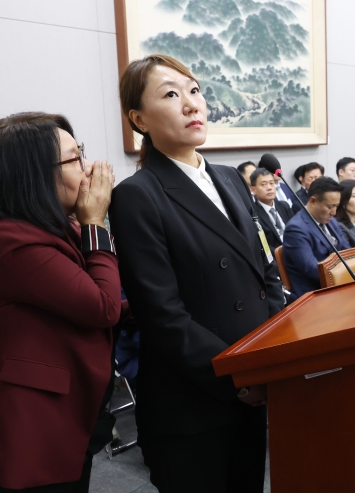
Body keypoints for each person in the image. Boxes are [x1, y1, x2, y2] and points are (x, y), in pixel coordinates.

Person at [111, 54, 284, 493]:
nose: (192, 105)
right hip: (195, 401)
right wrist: (238, 377)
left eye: (194, 90)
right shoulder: (137, 196)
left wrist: (273, 352)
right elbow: (162, 315)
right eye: (171, 94)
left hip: (253, 384)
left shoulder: (229, 179)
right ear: (139, 119)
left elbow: (266, 270)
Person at [0, 112, 121, 491]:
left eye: (79, 152)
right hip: (32, 431)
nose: (87, 168)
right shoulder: (7, 240)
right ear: (34, 174)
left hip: (68, 415)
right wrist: (96, 224)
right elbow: (101, 305)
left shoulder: (60, 226)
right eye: (74, 159)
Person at [282, 177, 350, 300]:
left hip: (338, 285)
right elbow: (313, 270)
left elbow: (346, 251)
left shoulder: (331, 221)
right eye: (330, 206)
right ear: (313, 201)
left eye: (336, 206)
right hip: (315, 294)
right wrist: (346, 273)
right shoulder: (296, 229)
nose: (334, 212)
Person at [250, 168, 295, 252]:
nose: (269, 188)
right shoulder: (253, 214)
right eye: (263, 184)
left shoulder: (284, 206)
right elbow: (263, 246)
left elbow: (295, 230)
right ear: (253, 190)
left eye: (271, 183)